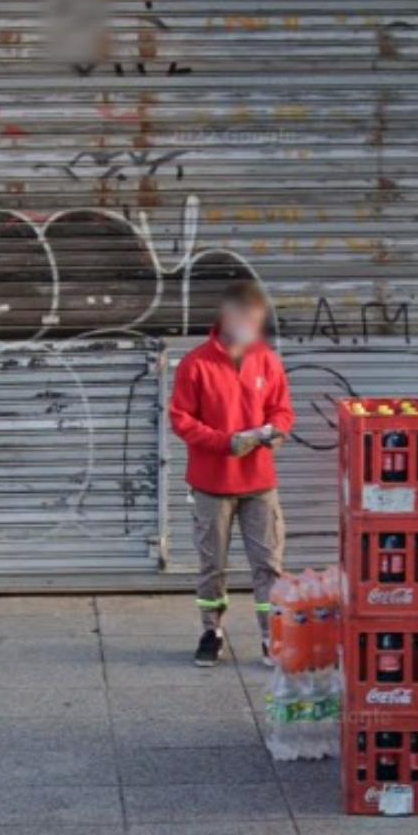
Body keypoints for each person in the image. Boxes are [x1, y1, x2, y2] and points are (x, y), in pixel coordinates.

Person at [167, 280, 294, 667]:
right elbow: (180, 419)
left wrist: (277, 432)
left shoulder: (267, 360)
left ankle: (272, 637)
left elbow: (282, 409)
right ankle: (211, 631)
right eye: (246, 317)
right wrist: (225, 443)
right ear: (227, 316)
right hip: (212, 483)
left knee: (268, 565)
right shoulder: (197, 364)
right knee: (212, 565)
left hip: (259, 483)